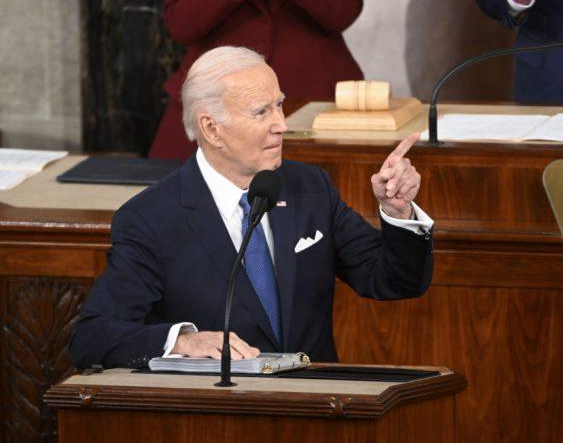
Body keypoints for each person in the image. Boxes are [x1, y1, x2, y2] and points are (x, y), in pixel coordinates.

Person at [69, 47, 433, 369]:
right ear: (212, 129)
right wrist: (183, 342)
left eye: (279, 105)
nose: (282, 125)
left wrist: (398, 212)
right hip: (220, 411)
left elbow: (395, 280)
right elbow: (91, 337)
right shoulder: (151, 219)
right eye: (261, 112)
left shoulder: (309, 187)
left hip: (315, 405)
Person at [149, 0, 366, 160]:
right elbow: (181, 23)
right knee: (170, 179)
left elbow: (344, 11)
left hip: (312, 92)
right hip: (217, 92)